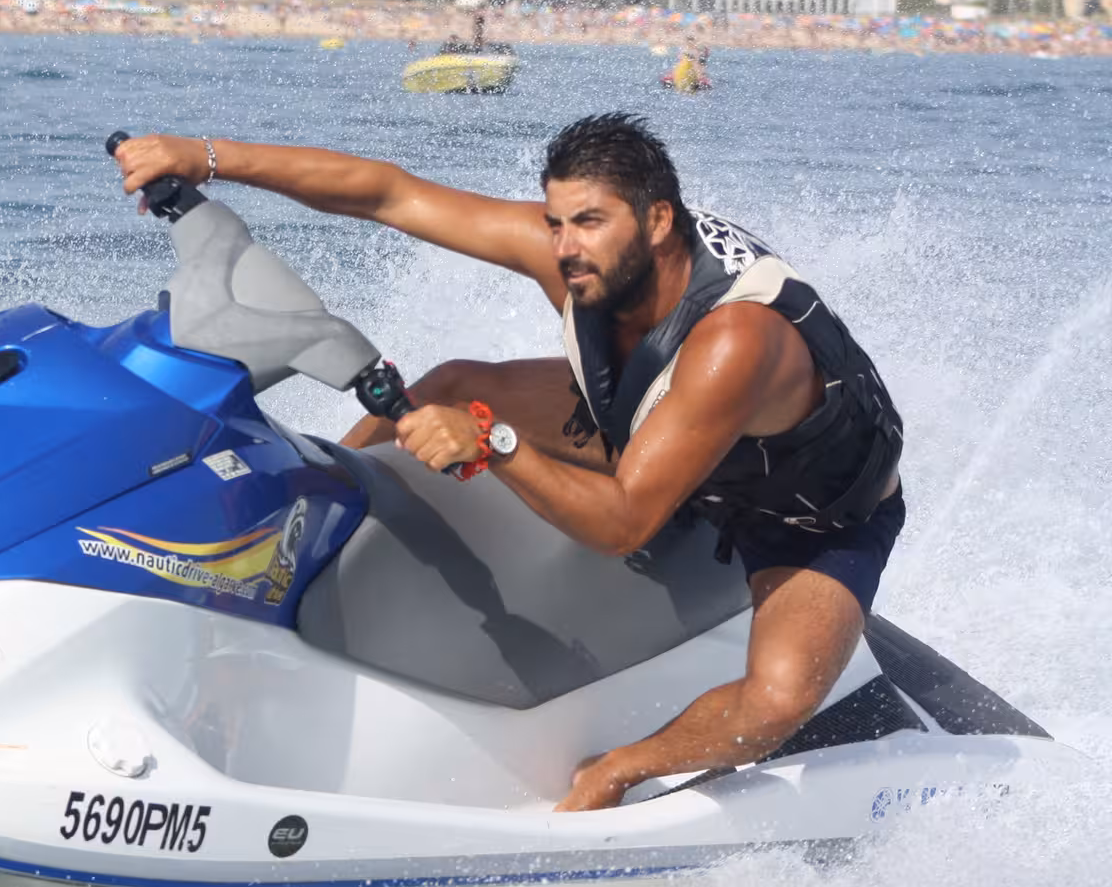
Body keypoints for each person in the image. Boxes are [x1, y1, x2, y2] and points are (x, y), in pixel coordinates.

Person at [113, 115, 904, 811]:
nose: (565, 249)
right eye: (557, 222)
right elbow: (385, 194)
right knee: (453, 383)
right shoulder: (578, 254)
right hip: (657, 426)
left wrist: (493, 442)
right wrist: (206, 156)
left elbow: (626, 521)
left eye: (588, 223)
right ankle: (292, 548)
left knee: (779, 700)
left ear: (659, 220)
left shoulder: (736, 342)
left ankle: (614, 771)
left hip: (807, 514)